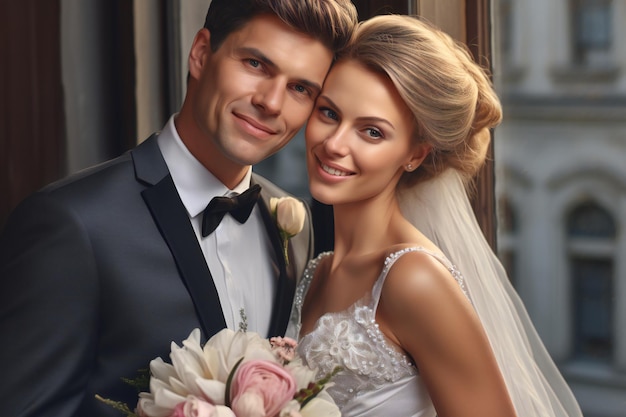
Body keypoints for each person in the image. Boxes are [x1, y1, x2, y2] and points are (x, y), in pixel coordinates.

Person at [0, 1, 357, 416]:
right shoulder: (73, 224)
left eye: (301, 88)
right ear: (202, 54)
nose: (272, 102)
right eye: (256, 64)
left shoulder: (292, 223)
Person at [286, 14, 583, 417]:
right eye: (329, 113)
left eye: (372, 132)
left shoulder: (413, 278)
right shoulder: (318, 269)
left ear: (414, 154)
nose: (334, 144)